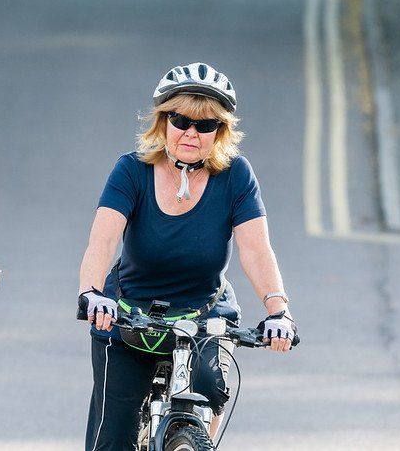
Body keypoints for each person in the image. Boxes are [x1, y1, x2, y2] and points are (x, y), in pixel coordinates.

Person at [77, 62, 297, 450]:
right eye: (180, 120)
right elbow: (103, 239)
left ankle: (193, 440)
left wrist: (278, 310)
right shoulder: (131, 170)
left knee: (212, 387)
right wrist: (92, 293)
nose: (190, 133)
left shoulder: (236, 176)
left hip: (203, 313)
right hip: (130, 312)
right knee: (111, 439)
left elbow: (256, 249)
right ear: (163, 123)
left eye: (205, 125)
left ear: (221, 131)